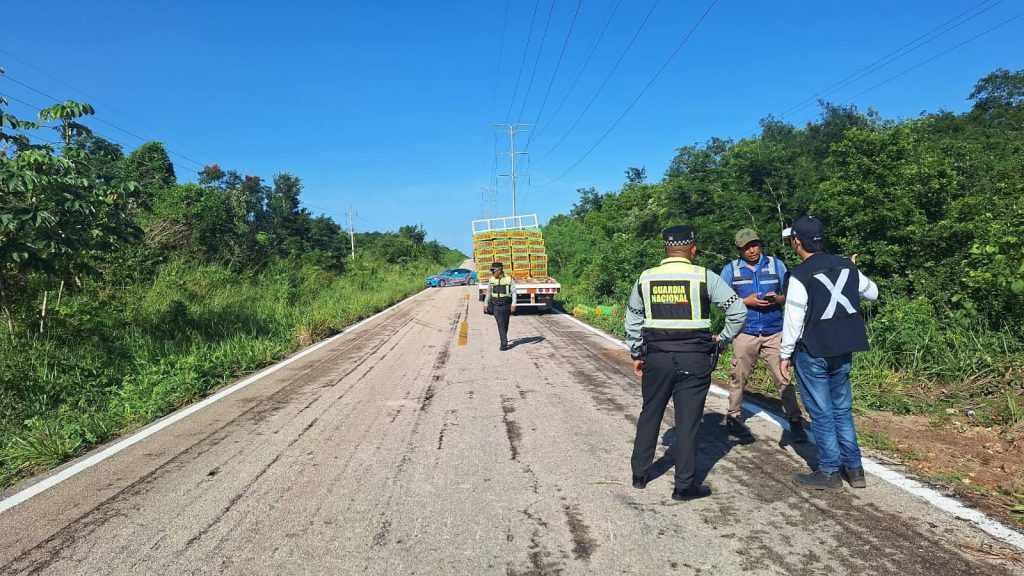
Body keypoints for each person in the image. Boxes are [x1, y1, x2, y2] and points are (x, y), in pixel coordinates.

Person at [626, 225, 746, 501]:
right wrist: (722, 340)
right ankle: (684, 486)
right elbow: (738, 311)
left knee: (650, 413)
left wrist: (637, 352)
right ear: (693, 249)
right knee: (689, 422)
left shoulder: (646, 278)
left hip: (656, 357)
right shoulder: (704, 276)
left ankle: (639, 475)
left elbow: (633, 318)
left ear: (665, 249)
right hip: (695, 358)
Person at [779, 216, 878, 491]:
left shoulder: (799, 274)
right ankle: (855, 469)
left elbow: (793, 318)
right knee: (842, 409)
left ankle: (829, 471)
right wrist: (852, 271)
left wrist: (785, 355)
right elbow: (873, 293)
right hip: (844, 348)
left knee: (821, 412)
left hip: (813, 349)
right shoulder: (846, 266)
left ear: (796, 241)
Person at [719, 228, 808, 443]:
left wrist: (778, 299)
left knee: (783, 377)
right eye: (746, 247)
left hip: (774, 331)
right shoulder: (731, 270)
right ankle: (733, 417)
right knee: (738, 376)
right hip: (745, 331)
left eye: (755, 245)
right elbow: (720, 300)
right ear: (739, 250)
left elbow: (792, 294)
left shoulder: (777, 265)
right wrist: (745, 302)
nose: (752, 250)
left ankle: (795, 420)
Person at [483, 262, 516, 351]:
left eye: (494, 271)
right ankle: (503, 344)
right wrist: (485, 304)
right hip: (496, 305)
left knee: (505, 323)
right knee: (500, 324)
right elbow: (488, 292)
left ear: (499, 270)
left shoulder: (509, 279)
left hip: (506, 305)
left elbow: (514, 292)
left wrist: (513, 304)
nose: (492, 273)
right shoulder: (491, 279)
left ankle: (504, 337)